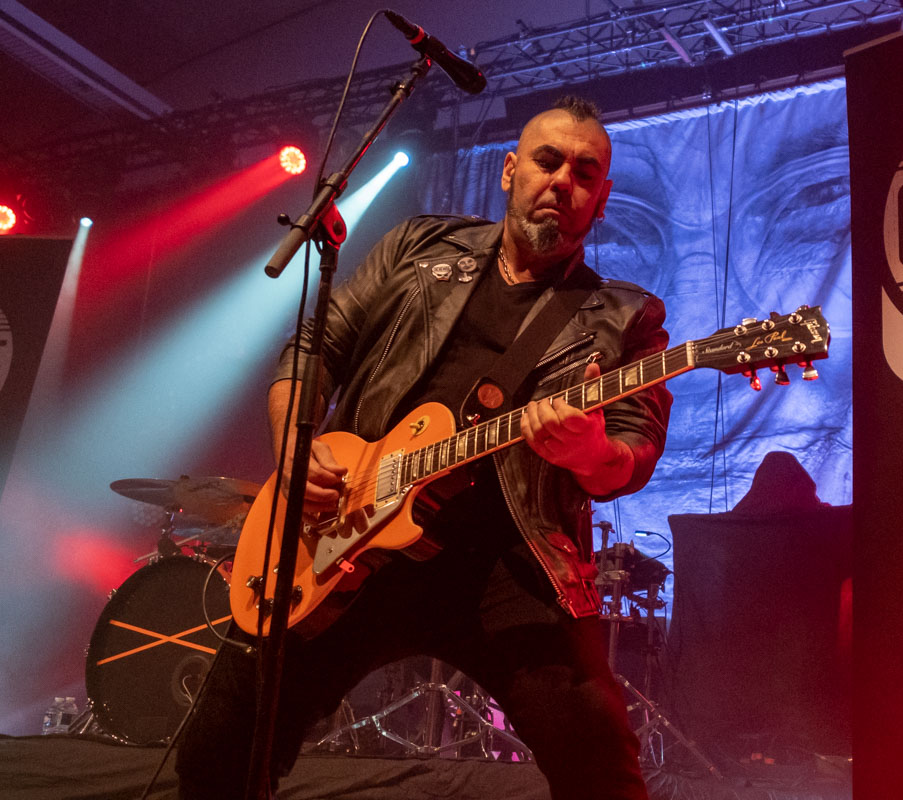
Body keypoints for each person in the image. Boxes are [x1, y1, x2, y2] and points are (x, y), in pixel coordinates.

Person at [174, 96, 672, 800]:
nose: (564, 181)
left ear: (603, 197)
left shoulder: (625, 316)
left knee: (602, 769)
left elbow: (634, 451)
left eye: (585, 172)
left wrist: (588, 451)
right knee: (217, 750)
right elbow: (316, 345)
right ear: (510, 170)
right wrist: (293, 448)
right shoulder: (419, 247)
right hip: (351, 534)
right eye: (547, 161)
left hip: (513, 567)